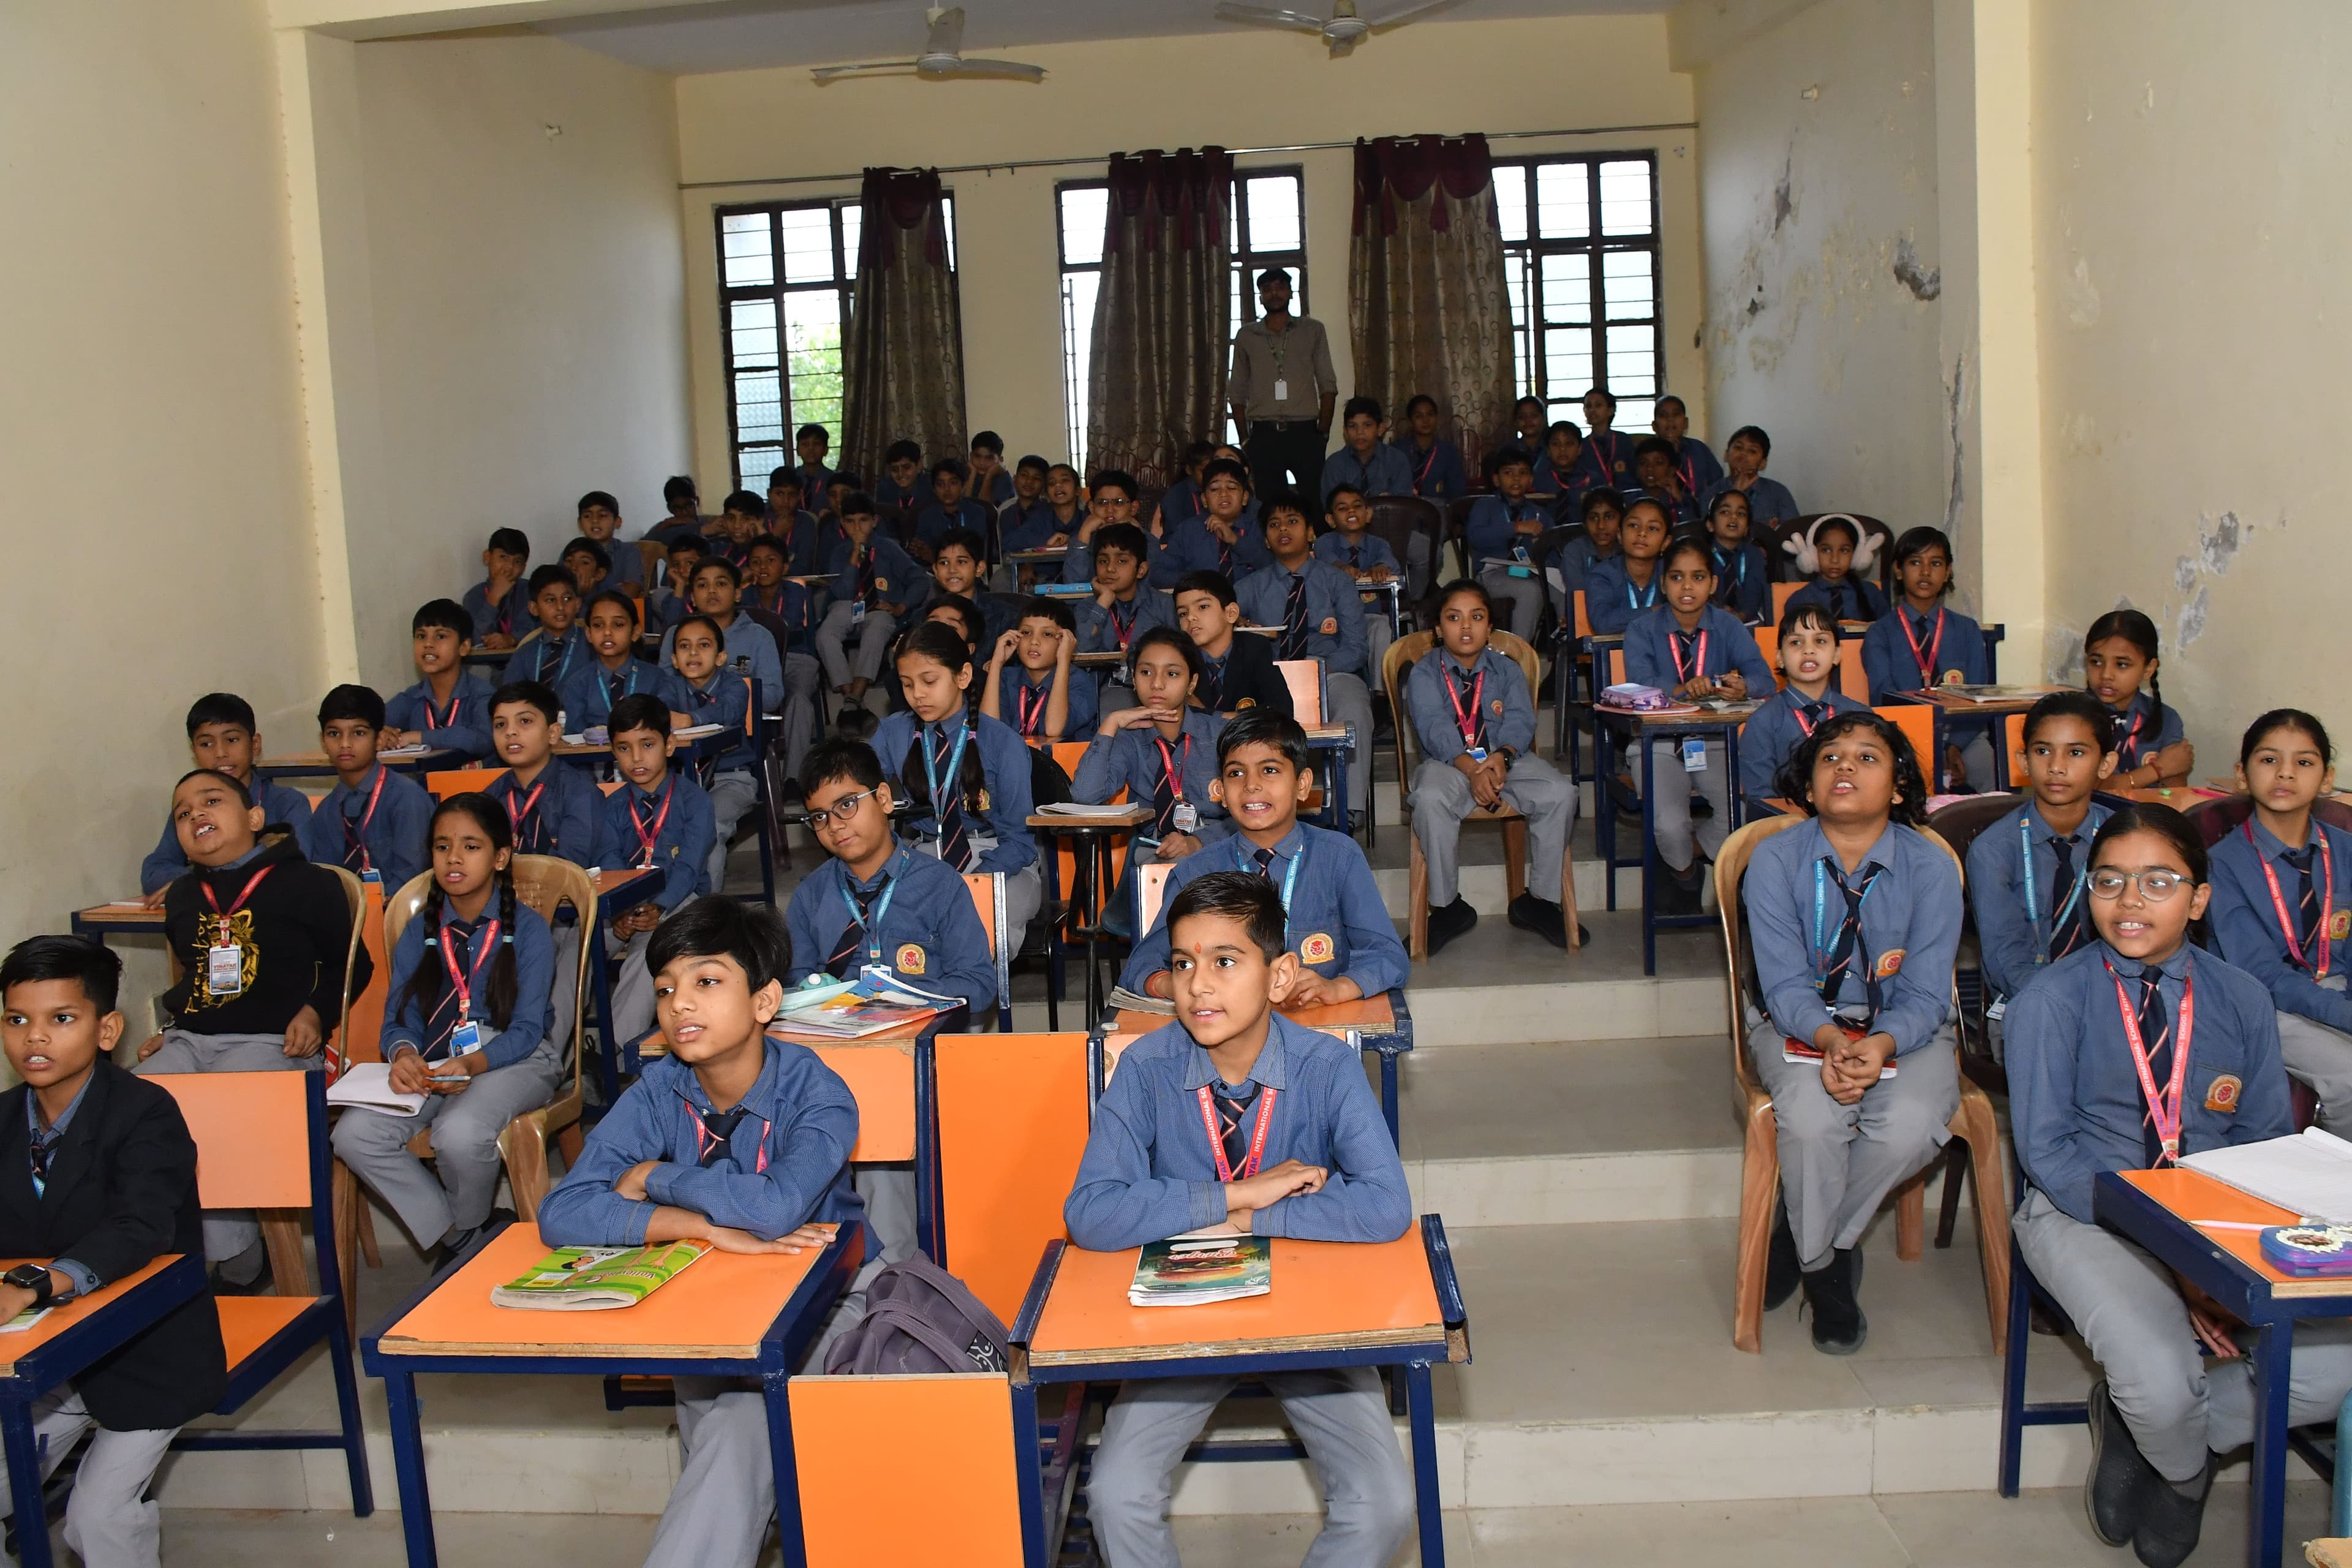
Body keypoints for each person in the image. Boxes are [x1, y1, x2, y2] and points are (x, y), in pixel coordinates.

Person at [2008, 805, 2352, 1568]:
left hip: (2220, 1216)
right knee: (2162, 1381)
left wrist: (2223, 1259)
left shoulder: (2241, 997)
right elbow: (2049, 1154)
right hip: (2086, 1211)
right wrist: (2182, 1260)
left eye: (2158, 882)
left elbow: (2264, 1144)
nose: (2130, 901)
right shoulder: (2051, 1000)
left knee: (2338, 1364)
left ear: (2198, 899)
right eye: (2109, 881)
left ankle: (2162, 1432)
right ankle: (2187, 1470)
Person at [1069, 870, 1414, 1568]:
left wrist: (1256, 1218)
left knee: (1385, 1503)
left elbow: (1385, 1205)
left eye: (1225, 961)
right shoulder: (1145, 1068)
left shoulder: (1327, 1066)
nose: (1198, 986)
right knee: (1116, 1494)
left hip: (1308, 1313)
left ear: (1280, 975)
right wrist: (1235, 1194)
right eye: (1182, 964)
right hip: (1181, 1316)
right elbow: (1092, 1212)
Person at [538, 897, 875, 1568]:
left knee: (740, 1424)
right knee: (719, 1430)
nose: (680, 1004)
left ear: (765, 1000)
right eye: (665, 989)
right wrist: (697, 1226)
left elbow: (777, 1209)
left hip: (826, 1299)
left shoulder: (819, 1093)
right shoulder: (659, 1090)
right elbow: (562, 1211)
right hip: (707, 1296)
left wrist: (656, 1176)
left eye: (707, 981)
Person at [0, 935, 228, 1568]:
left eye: (60, 1018)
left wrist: (36, 1283)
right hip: (44, 1362)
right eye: (16, 1020)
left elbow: (141, 1225)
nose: (35, 1038)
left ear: (107, 1030)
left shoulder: (146, 1112)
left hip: (145, 1352)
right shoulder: (3, 1120)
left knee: (96, 1520)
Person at [1746, 712, 1960, 1355]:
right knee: (1813, 1122)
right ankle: (1830, 1274)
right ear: (1809, 787)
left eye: (1868, 757)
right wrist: (1830, 1039)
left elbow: (1926, 992)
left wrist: (1882, 1043)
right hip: (1800, 1025)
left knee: (1911, 1124)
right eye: (1830, 757)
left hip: (1904, 1030)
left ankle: (1808, 1242)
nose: (1845, 766)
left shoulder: (1930, 867)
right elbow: (1783, 985)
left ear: (1898, 787)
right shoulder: (1775, 859)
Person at [143, 769, 369, 1289]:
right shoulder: (183, 894)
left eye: (211, 801)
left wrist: (315, 1013)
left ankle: (239, 1257)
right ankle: (159, 1260)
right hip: (191, 1041)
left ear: (254, 817)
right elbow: (197, 976)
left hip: (272, 1042)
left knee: (220, 1111)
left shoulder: (308, 882)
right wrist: (174, 1025)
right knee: (138, 1104)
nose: (197, 814)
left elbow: (351, 966)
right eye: (183, 812)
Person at [788, 738, 1000, 1265]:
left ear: (883, 798)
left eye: (846, 805)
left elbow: (979, 984)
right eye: (819, 817)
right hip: (837, 1054)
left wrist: (905, 998)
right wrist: (822, 993)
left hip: (920, 1053)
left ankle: (888, 1277)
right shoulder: (811, 895)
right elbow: (791, 983)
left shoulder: (939, 885)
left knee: (879, 1131)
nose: (835, 826)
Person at [333, 793, 559, 1265]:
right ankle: (464, 1238)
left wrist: (473, 1064)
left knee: (458, 1134)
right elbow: (400, 1018)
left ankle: (469, 1229)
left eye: (471, 847)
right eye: (442, 847)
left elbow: (526, 1029)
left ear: (501, 857)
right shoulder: (421, 929)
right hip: (438, 1058)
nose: (454, 858)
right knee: (354, 1135)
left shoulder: (530, 930)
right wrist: (403, 1055)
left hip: (515, 1055)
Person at [1118, 710, 1406, 1007]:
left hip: (1316, 1023)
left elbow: (1388, 956)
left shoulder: (1339, 858)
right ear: (1220, 792)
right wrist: (1179, 983)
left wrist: (1337, 988)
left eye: (1269, 770)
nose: (1251, 785)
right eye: (1236, 773)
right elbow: (1140, 967)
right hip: (1224, 1028)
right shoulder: (1195, 871)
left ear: (1302, 784)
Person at [1406, 581, 1580, 952]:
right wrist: (1472, 769)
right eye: (1454, 618)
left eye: (1477, 617)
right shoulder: (1424, 673)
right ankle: (1448, 907)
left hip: (1507, 761)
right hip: (1449, 765)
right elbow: (1433, 726)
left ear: (1490, 628)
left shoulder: (1506, 670)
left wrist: (1502, 756)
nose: (1466, 627)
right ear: (1438, 629)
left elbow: (1520, 719)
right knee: (1429, 799)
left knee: (1561, 793)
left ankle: (1538, 901)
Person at [2209, 709, 2352, 1132]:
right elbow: (2263, 974)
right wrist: (2345, 1015)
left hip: (2337, 989)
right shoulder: (2222, 865)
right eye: (2269, 760)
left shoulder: (2346, 850)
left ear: (2327, 779)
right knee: (2347, 1076)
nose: (2285, 773)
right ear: (2242, 774)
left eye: (2304, 762)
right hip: (2262, 1003)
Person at [1624, 538, 1778, 914]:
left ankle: (1691, 853)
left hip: (1715, 741)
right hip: (1657, 744)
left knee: (1743, 815)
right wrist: (1682, 689)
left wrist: (1745, 686)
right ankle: (1686, 873)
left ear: (1712, 584)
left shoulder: (1728, 625)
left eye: (1698, 577)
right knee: (1669, 824)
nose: (1687, 587)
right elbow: (1640, 683)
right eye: (1677, 577)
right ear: (1663, 584)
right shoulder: (1642, 629)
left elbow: (1765, 679)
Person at [870, 624, 1041, 955]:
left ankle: (977, 987)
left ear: (963, 676)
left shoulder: (1002, 742)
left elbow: (1019, 841)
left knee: (981, 923)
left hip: (999, 860)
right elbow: (862, 795)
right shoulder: (893, 733)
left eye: (929, 681)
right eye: (907, 684)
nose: (918, 694)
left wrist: (973, 881)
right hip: (925, 855)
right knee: (892, 923)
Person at [1966, 691, 2116, 1055]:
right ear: (2024, 761)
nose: (2056, 766)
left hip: (2113, 1001)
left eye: (2075, 753)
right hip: (2026, 1004)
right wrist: (2067, 1008)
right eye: (2043, 750)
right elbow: (2006, 960)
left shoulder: (2123, 841)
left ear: (2105, 765)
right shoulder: (1993, 850)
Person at [1074, 627, 1229, 927]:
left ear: (1191, 683)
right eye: (1146, 672)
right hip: (1157, 852)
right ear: (1134, 679)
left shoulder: (1221, 735)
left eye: (1172, 674)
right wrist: (1111, 723)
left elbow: (1248, 810)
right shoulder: (1128, 739)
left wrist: (1198, 841)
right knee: (1168, 881)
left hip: (1219, 849)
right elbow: (1085, 796)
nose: (1157, 684)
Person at [1237, 491, 1374, 824]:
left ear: (1311, 531)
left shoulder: (1338, 582)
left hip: (1329, 672)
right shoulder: (1249, 587)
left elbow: (1356, 647)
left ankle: (1348, 812)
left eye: (1292, 521)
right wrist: (1236, 625)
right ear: (1266, 540)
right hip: (1270, 677)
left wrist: (1314, 673)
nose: (1283, 529)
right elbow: (1221, 628)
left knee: (1355, 704)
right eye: (1274, 525)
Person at [486, 680, 601, 1052]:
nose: (511, 733)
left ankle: (544, 1056)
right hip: (507, 915)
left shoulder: (578, 790)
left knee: (568, 958)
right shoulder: (490, 799)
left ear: (553, 733)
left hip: (566, 916)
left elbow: (570, 864)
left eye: (524, 721)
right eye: (501, 725)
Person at [598, 695, 716, 1047]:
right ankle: (555, 1056)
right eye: (624, 748)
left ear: (669, 745)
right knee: (578, 945)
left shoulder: (695, 801)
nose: (636, 758)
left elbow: (689, 868)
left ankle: (618, 1055)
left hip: (679, 901)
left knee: (645, 952)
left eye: (647, 745)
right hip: (624, 906)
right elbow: (609, 859)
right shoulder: (611, 807)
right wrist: (620, 910)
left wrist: (659, 906)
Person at [139, 693, 315, 899]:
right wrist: (197, 882)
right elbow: (154, 871)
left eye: (232, 740)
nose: (220, 753)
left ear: (255, 744)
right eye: (206, 744)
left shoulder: (287, 802)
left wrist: (206, 880)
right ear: (194, 751)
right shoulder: (192, 810)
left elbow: (295, 866)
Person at [1860, 525, 1991, 788]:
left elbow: (1979, 697)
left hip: (1963, 735)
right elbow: (1885, 699)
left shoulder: (1967, 630)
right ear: (1899, 570)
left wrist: (1954, 747)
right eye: (1915, 562)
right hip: (1905, 736)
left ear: (1948, 571)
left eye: (1936, 563)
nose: (1925, 572)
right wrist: (1929, 747)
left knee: (1988, 765)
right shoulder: (1880, 633)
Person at [298, 685, 435, 894]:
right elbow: (325, 881)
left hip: (400, 909)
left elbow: (414, 880)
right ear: (323, 742)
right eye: (334, 733)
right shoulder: (326, 812)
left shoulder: (407, 799)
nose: (345, 743)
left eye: (358, 733)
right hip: (347, 911)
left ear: (379, 740)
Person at [1738, 603, 1868, 821]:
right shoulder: (1762, 722)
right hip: (1789, 828)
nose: (1808, 650)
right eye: (1796, 642)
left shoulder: (1861, 717)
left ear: (1837, 654)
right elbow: (1762, 799)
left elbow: (1874, 783)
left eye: (1820, 641)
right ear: (1780, 657)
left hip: (1853, 823)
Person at [668, 615, 761, 894]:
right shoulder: (668, 688)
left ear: (721, 657)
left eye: (704, 645)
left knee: (710, 826)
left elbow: (727, 712)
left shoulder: (734, 685)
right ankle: (671, 904)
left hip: (731, 780)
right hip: (681, 783)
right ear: (674, 660)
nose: (693, 653)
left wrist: (690, 719)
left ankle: (706, 910)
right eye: (685, 646)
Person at [1230, 266, 1339, 499]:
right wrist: (1245, 439)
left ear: (1291, 293)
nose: (1274, 294)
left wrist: (1323, 433)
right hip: (1264, 434)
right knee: (1270, 505)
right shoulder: (1246, 336)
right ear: (1260, 297)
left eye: (1280, 287)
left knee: (1314, 503)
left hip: (1305, 433)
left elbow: (1328, 384)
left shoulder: (1313, 330)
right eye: (1267, 289)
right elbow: (1236, 391)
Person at [815, 492, 922, 721]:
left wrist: (901, 607)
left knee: (877, 628)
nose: (857, 528)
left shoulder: (888, 548)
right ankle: (851, 697)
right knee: (825, 634)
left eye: (863, 520)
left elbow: (919, 579)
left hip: (880, 609)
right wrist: (855, 555)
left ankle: (856, 695)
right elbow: (843, 593)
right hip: (847, 607)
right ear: (842, 523)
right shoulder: (839, 552)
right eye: (850, 522)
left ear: (874, 521)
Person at [2086, 610, 2194, 788]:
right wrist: (2157, 770)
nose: (2106, 675)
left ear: (2148, 669)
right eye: (2096, 662)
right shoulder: (2070, 716)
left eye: (2122, 664)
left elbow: (2175, 790)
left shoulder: (2166, 719)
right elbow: (2086, 787)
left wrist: (2173, 769)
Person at [1072, 523, 1176, 704]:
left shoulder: (1164, 605)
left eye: (1121, 561)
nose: (1110, 569)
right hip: (1103, 692)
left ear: (1141, 570)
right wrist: (1103, 603)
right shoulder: (1087, 607)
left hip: (1157, 688)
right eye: (1103, 561)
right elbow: (1081, 649)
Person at [560, 591, 690, 734]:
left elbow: (662, 728)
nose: (607, 632)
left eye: (618, 624)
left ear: (635, 632)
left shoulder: (656, 678)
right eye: (598, 625)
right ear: (589, 634)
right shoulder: (578, 683)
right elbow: (575, 736)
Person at [385, 598, 496, 760]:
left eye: (441, 636)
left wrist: (418, 737)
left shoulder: (483, 694)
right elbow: (370, 724)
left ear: (464, 647)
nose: (428, 644)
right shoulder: (412, 697)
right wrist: (381, 735)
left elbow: (482, 740)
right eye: (421, 636)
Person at [1312, 480, 1400, 681]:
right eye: (1342, 508)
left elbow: (1391, 564)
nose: (1351, 511)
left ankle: (1381, 690)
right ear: (1330, 519)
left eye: (1357, 506)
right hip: (1336, 619)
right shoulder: (1325, 542)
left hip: (1368, 616)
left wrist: (1381, 567)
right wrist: (1342, 568)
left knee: (1381, 626)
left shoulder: (1379, 544)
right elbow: (1327, 561)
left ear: (1368, 514)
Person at [1173, 571, 1294, 718]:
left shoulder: (1254, 648)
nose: (1191, 617)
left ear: (1231, 613)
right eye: (1183, 613)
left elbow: (1281, 710)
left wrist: (1212, 716)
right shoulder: (1178, 657)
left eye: (1203, 607)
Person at [1461, 445, 1551, 638]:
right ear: (1496, 479)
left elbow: (1554, 547)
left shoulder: (1539, 513)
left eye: (1523, 473)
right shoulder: (1485, 506)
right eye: (1509, 473)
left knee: (1564, 586)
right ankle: (1519, 651)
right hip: (1491, 574)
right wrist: (1516, 528)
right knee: (1530, 591)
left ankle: (1562, 644)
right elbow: (1475, 538)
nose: (1516, 479)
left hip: (1528, 572)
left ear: (1531, 480)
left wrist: (1542, 559)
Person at [979, 595, 1094, 743]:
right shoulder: (1006, 678)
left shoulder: (1080, 682)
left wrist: (1064, 660)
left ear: (1065, 642)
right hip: (1012, 757)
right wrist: (996, 664)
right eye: (1026, 633)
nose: (1034, 641)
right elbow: (989, 731)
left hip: (1062, 757)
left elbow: (1054, 729)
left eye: (1047, 634)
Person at [1152, 457, 1267, 588]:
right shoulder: (1187, 531)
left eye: (1231, 488)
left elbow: (1274, 566)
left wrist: (1235, 540)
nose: (1224, 494)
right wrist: (1199, 581)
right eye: (1215, 489)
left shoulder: (1258, 526)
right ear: (1204, 500)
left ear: (1245, 498)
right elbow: (1158, 574)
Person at [1581, 497, 1671, 636]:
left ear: (1666, 542)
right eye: (1633, 525)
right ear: (1620, 535)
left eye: (1652, 528)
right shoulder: (1603, 575)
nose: (1642, 533)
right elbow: (1603, 624)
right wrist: (1657, 611)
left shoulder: (1673, 573)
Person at [1782, 515, 1888, 625]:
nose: (1835, 559)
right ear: (1812, 554)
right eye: (1826, 550)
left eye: (1844, 551)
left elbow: (1888, 630)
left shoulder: (1871, 593)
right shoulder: (1799, 600)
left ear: (1857, 555)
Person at [1546, 486, 1624, 626]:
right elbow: (1578, 597)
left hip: (1624, 620)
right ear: (1585, 524)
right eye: (1593, 518)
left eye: (1609, 517)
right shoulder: (1575, 551)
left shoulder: (1629, 549)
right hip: (1585, 621)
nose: (1601, 526)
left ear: (1622, 521)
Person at [1316, 394, 1411, 508]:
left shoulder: (1397, 460)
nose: (1360, 432)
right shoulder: (1335, 464)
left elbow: (1404, 506)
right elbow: (1331, 506)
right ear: (1345, 431)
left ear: (1380, 429)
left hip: (1389, 519)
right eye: (1353, 426)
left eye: (1367, 425)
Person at [1699, 425, 1800, 531]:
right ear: (1726, 455)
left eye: (1752, 451)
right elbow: (1710, 534)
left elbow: (1792, 532)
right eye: (1738, 448)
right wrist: (1736, 492)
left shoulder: (1779, 493)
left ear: (1763, 464)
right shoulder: (1710, 494)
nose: (1743, 454)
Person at [503, 565, 587, 691]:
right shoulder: (525, 654)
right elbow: (509, 696)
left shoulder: (592, 645)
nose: (560, 607)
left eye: (567, 599)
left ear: (578, 604)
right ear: (534, 608)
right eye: (551, 600)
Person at [1702, 488, 1768, 622]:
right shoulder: (1699, 555)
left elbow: (1754, 593)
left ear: (1747, 529)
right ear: (1710, 525)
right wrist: (1720, 611)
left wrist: (1742, 616)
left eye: (1741, 514)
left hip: (1746, 622)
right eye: (1725, 512)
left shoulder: (1754, 555)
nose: (1734, 517)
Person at [461, 527, 533, 651]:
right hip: (488, 663)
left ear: (524, 567)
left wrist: (512, 639)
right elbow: (475, 641)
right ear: (487, 557)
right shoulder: (473, 597)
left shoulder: (530, 591)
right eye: (503, 557)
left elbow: (538, 631)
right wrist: (493, 600)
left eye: (517, 561)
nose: (509, 567)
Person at [912, 456, 994, 562]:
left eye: (953, 483)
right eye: (940, 485)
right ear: (934, 489)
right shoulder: (927, 516)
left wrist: (935, 557)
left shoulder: (977, 513)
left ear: (963, 486)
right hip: (933, 569)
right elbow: (922, 551)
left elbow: (974, 550)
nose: (947, 489)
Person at [1393, 393, 1468, 502]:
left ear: (1437, 418)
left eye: (1430, 414)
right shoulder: (1397, 450)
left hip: (1438, 509)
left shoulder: (1449, 452)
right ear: (1410, 421)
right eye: (1419, 416)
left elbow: (1457, 491)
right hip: (1403, 507)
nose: (1426, 420)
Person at [574, 489, 646, 593]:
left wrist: (589, 593)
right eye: (587, 516)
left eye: (602, 515)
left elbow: (632, 590)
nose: (595, 520)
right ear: (580, 523)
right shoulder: (572, 552)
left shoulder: (629, 551)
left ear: (617, 522)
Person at [1653, 393, 1724, 496]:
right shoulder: (1647, 454)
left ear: (1686, 423)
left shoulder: (1699, 449)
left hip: (1697, 504)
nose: (1670, 419)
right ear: (1655, 426)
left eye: (1676, 414)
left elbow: (1718, 483)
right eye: (1663, 415)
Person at [1572, 388, 1636, 492]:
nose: (1592, 410)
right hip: (1596, 495)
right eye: (1588, 406)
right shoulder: (1583, 445)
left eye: (1598, 405)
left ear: (1610, 410)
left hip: (1626, 494)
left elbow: (1635, 470)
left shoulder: (1623, 440)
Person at [1629, 435, 1701, 530]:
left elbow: (1692, 531)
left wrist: (1679, 501)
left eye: (1659, 463)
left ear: (1672, 470)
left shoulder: (1686, 501)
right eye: (1643, 463)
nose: (1650, 468)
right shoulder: (1628, 500)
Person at [1532, 420, 1586, 511]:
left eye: (1569, 444)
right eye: (1556, 444)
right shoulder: (1536, 481)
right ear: (1548, 450)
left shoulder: (1594, 481)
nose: (1562, 449)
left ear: (1580, 449)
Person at [646, 475, 709, 549]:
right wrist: (667, 524)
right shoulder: (666, 528)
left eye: (689, 506)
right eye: (678, 509)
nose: (684, 513)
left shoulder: (708, 528)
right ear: (670, 509)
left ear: (697, 502)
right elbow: (643, 546)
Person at [967, 430, 1014, 508]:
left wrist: (989, 475)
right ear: (971, 456)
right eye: (978, 456)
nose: (982, 463)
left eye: (989, 458)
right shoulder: (970, 472)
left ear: (1000, 460)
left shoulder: (1005, 480)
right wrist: (972, 474)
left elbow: (984, 510)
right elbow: (963, 507)